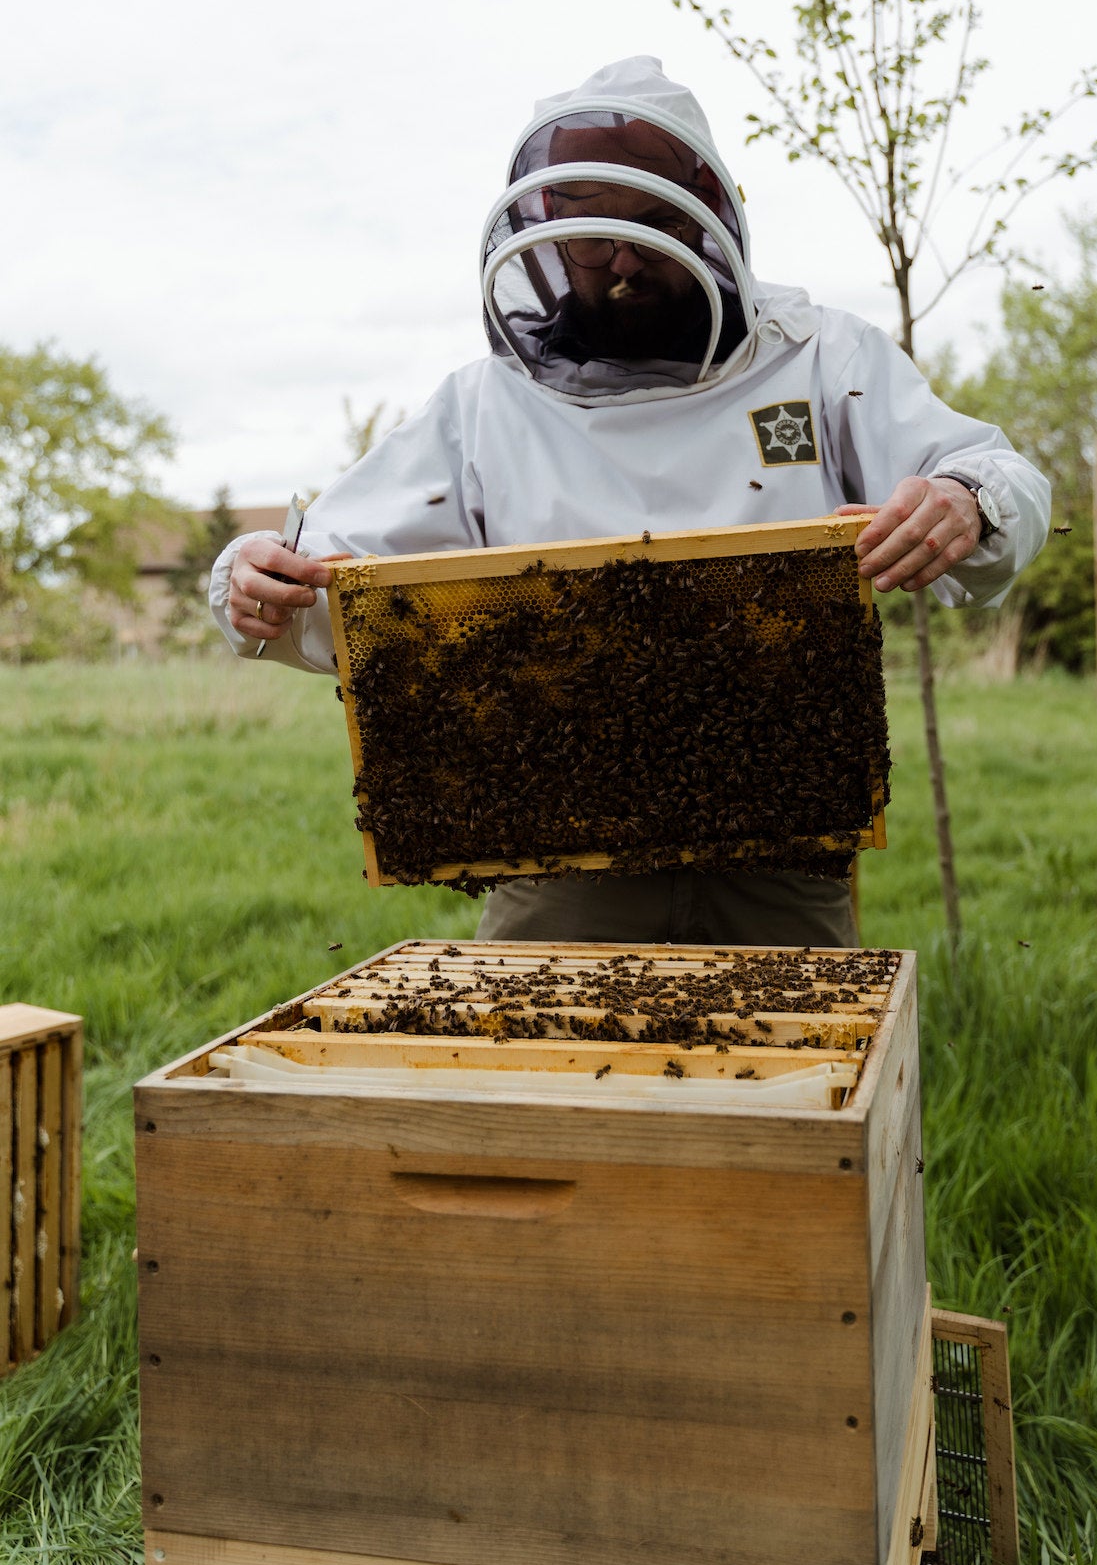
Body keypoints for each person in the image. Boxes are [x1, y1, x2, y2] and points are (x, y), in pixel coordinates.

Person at [210, 55, 1050, 946]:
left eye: (650, 231)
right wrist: (253, 583)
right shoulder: (480, 408)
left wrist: (964, 499)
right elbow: (328, 583)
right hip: (554, 869)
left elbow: (999, 478)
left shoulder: (822, 358)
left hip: (781, 862)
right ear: (540, 232)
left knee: (794, 1082)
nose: (620, 261)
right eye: (589, 238)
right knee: (548, 1086)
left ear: (711, 216)